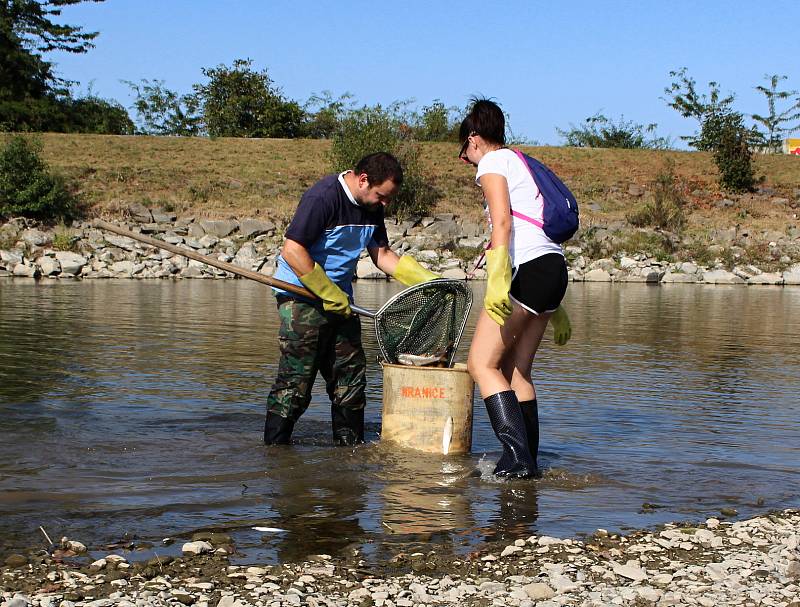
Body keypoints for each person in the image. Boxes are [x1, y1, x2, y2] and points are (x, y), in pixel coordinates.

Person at [264, 152, 439, 446]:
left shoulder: (372, 207)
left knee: (351, 381)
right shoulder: (322, 198)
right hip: (300, 295)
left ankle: (349, 455)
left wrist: (426, 280)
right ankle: (275, 456)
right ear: (363, 180)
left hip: (340, 301)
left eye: (388, 199)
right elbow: (292, 251)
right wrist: (326, 291)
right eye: (382, 196)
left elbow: (381, 255)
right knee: (296, 383)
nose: (385, 204)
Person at [459, 99, 572, 478]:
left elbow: (503, 225)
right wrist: (559, 309)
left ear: (474, 138)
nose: (468, 162)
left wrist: (495, 285)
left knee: (481, 363)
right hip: (553, 270)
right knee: (517, 370)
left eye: (465, 153)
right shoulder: (522, 160)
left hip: (528, 270)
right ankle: (531, 462)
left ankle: (517, 460)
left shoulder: (493, 162)